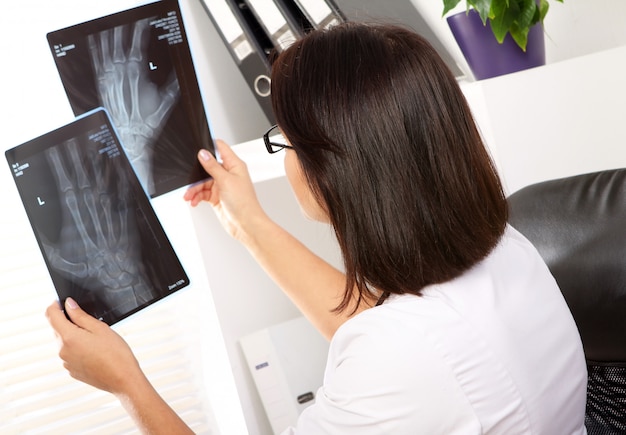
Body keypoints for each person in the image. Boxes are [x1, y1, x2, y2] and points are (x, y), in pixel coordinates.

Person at [46, 22, 588, 434]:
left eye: (284, 140)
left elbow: (399, 351)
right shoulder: (510, 253)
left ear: (337, 171)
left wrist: (128, 385)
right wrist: (248, 223)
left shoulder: (398, 357)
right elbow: (394, 333)